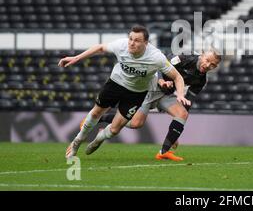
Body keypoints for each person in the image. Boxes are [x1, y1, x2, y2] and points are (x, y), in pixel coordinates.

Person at [61, 25, 190, 158]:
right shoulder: (121, 45)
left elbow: (177, 77)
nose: (132, 43)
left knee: (115, 130)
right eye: (130, 39)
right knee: (96, 112)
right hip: (115, 84)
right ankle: (77, 141)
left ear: (146, 43)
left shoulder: (156, 57)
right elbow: (100, 47)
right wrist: (76, 58)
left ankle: (100, 138)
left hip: (136, 93)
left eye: (137, 40)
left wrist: (180, 94)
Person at [94, 49, 222, 161]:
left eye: (212, 65)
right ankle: (101, 119)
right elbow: (161, 64)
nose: (208, 65)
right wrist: (161, 80)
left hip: (165, 94)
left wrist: (174, 133)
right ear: (202, 55)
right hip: (151, 87)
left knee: (183, 114)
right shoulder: (185, 58)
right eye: (207, 60)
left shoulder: (201, 80)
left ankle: (164, 152)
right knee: (136, 123)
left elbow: (186, 102)